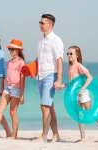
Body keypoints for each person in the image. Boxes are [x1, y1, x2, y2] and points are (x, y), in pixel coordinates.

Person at [62, 46, 98, 142]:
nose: (69, 56)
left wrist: (82, 90)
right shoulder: (69, 67)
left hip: (83, 95)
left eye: (71, 53)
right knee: (79, 116)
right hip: (75, 96)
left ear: (77, 55)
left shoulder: (79, 66)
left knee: (91, 113)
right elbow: (72, 83)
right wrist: (62, 85)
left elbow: (90, 78)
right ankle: (82, 138)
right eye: (68, 53)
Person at [34, 14, 64, 142]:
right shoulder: (40, 41)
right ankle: (56, 135)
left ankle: (44, 136)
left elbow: (59, 60)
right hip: (40, 76)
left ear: (50, 25)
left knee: (44, 106)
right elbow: (40, 59)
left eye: (42, 23)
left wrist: (58, 80)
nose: (40, 25)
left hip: (51, 75)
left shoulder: (56, 40)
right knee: (49, 106)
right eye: (39, 22)